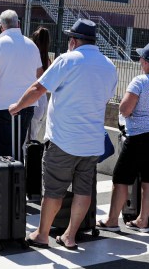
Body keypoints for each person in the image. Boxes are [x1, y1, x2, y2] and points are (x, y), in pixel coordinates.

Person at [9, 19, 117, 250]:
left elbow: (39, 88)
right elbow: (106, 99)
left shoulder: (68, 60)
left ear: (74, 41)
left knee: (54, 190)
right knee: (83, 190)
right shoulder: (109, 65)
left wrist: (17, 106)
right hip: (92, 142)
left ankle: (42, 234)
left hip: (64, 139)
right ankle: (70, 235)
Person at [100, 42, 149, 232]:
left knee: (120, 178)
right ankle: (143, 220)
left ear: (145, 61)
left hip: (138, 137)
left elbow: (124, 109)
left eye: (141, 57)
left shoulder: (139, 81)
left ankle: (112, 220)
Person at [0, 10, 43, 157]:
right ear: (18, 24)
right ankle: (17, 177)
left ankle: (5, 179)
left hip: (3, 105)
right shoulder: (32, 45)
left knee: (3, 150)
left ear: (1, 27)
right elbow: (40, 76)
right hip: (27, 105)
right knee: (18, 147)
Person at [29, 27, 51, 141]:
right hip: (42, 101)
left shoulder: (32, 58)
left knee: (25, 139)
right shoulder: (47, 60)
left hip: (31, 100)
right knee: (33, 137)